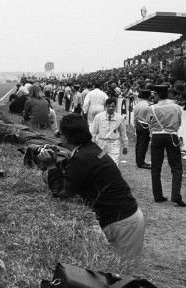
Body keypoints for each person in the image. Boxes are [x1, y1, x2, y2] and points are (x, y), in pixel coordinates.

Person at [38, 113, 145, 266]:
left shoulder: (82, 157)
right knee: (114, 270)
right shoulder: (90, 149)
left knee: (123, 273)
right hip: (125, 218)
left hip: (124, 222)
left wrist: (50, 166)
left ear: (64, 137)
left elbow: (61, 192)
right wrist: (58, 164)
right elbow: (76, 176)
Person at [147, 84, 185, 207]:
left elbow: (149, 123)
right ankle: (176, 196)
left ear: (157, 95)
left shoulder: (152, 108)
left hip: (157, 136)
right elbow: (179, 122)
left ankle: (158, 195)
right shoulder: (176, 107)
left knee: (156, 167)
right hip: (172, 135)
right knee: (176, 167)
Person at [90, 97, 129, 167]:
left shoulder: (120, 118)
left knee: (114, 164)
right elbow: (93, 131)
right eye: (109, 106)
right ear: (105, 106)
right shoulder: (98, 117)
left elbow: (123, 133)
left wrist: (125, 146)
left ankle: (112, 177)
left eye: (113, 106)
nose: (111, 108)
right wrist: (92, 144)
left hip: (114, 143)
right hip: (101, 143)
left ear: (115, 107)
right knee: (101, 162)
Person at [132, 88, 152, 169]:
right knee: (143, 144)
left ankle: (138, 161)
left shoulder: (138, 104)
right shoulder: (148, 105)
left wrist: (135, 125)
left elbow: (135, 117)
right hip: (145, 125)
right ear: (149, 96)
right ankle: (141, 162)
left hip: (139, 124)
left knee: (139, 144)